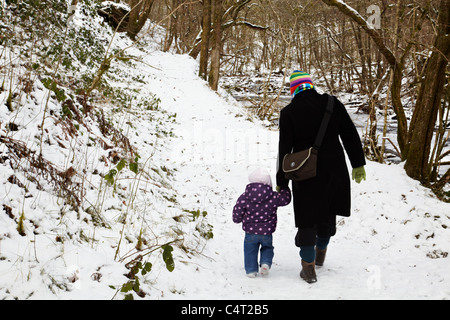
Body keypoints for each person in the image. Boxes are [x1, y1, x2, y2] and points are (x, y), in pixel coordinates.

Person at [276, 71, 366, 284]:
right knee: (328, 211)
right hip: (335, 169)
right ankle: (321, 253)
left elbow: (284, 150)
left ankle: (308, 268)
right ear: (311, 85)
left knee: (307, 218)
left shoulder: (288, 112)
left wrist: (282, 181)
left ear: (294, 89)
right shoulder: (332, 104)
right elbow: (350, 134)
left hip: (305, 173)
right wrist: (358, 163)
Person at [233, 167, 291, 278]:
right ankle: (265, 263)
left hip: (250, 233)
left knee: (250, 251)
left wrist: (237, 219)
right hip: (267, 232)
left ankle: (251, 270)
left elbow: (238, 210)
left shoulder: (245, 196)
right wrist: (284, 188)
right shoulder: (273, 196)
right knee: (267, 248)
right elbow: (285, 199)